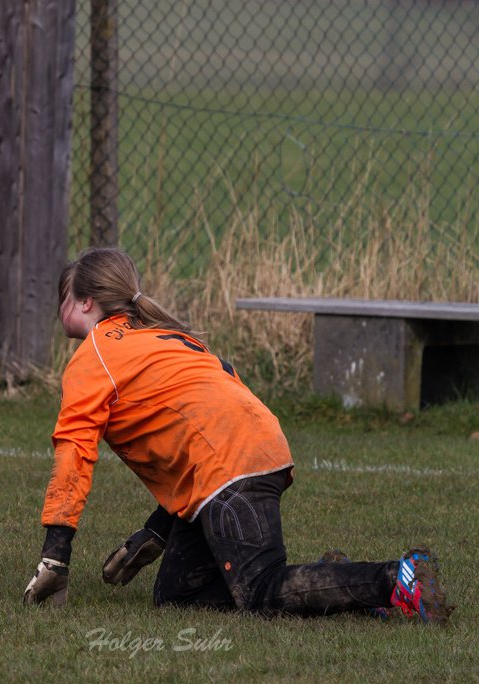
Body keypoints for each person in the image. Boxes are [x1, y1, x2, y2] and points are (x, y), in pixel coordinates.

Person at [23, 247, 453, 625]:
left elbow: (74, 452)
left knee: (261, 590)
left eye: (61, 298)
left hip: (231, 467)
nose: (57, 308)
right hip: (249, 449)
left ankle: (398, 579)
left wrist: (56, 555)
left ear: (84, 302)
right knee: (178, 598)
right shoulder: (161, 336)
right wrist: (155, 532)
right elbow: (198, 421)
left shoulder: (92, 356)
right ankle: (335, 586)